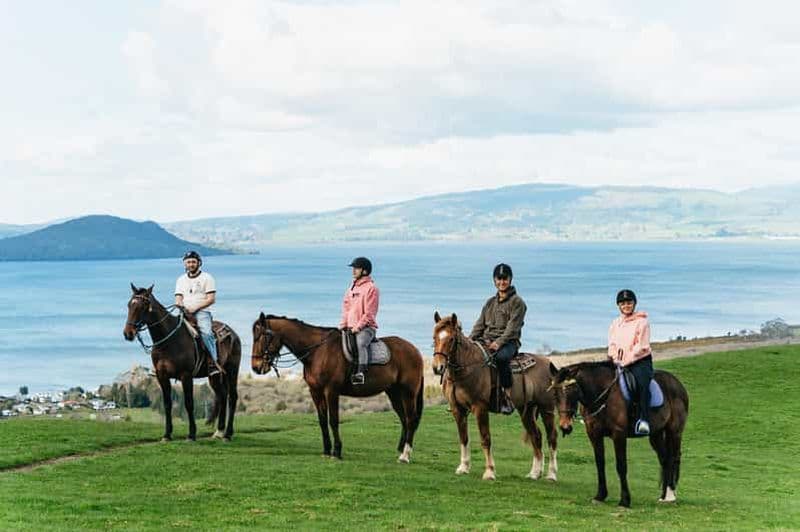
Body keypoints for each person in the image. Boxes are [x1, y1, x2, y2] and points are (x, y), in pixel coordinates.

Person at [469, 263, 527, 415]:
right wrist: (469, 341)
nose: (502, 282)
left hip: (509, 343)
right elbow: (479, 324)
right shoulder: (490, 303)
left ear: (510, 279)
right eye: (498, 278)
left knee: (501, 359)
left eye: (505, 278)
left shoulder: (518, 303)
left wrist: (498, 343)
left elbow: (512, 328)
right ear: (494, 280)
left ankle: (506, 397)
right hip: (487, 341)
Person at [608, 289, 653, 435]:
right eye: (623, 303)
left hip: (640, 361)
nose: (626, 305)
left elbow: (642, 346)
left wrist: (626, 360)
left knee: (642, 384)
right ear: (619, 306)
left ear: (634, 304)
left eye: (629, 303)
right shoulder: (615, 323)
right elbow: (612, 344)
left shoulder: (642, 322)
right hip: (618, 361)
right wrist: (614, 357)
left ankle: (644, 420)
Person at [175, 250, 221, 377]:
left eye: (193, 262)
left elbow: (211, 299)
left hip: (202, 312)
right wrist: (180, 305)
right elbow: (178, 297)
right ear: (185, 264)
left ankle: (213, 363)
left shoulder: (207, 278)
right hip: (184, 312)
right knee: (170, 331)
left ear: (199, 263)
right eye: (188, 262)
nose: (191, 264)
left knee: (206, 333)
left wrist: (195, 308)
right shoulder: (181, 280)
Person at [338, 257, 380, 385]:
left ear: (365, 271)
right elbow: (346, 308)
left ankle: (360, 373)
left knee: (360, 343)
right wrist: (343, 324)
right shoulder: (351, 288)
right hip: (350, 327)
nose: (353, 271)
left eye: (356, 268)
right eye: (353, 269)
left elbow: (369, 313)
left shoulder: (372, 288)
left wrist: (358, 327)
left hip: (366, 328)